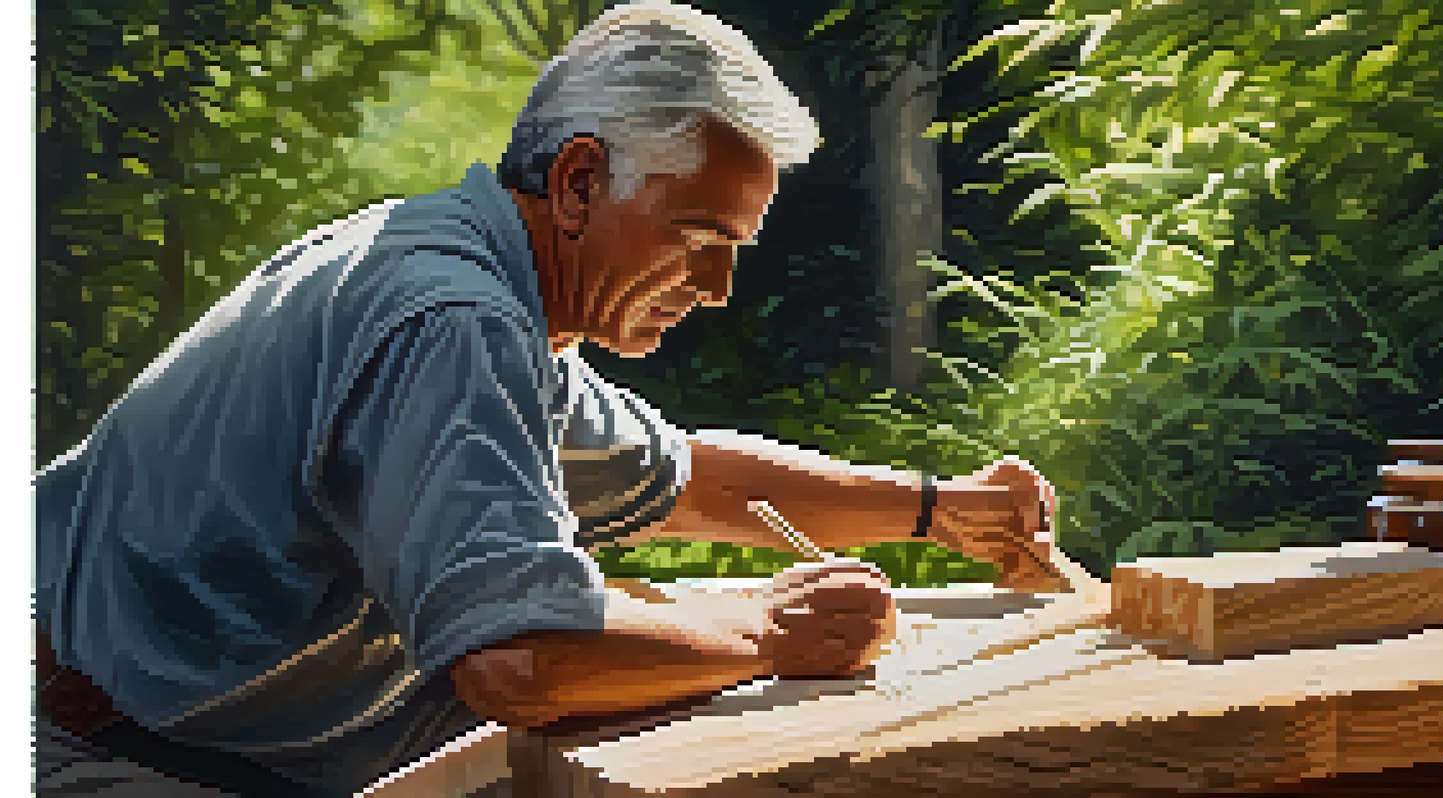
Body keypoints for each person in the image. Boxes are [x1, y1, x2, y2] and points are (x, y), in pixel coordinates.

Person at [33, 1, 1060, 795]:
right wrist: (768, 633)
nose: (716, 289)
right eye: (701, 239)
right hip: (94, 749)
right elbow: (519, 664)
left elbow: (690, 481)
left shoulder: (474, 281)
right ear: (578, 182)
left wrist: (940, 508)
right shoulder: (456, 320)